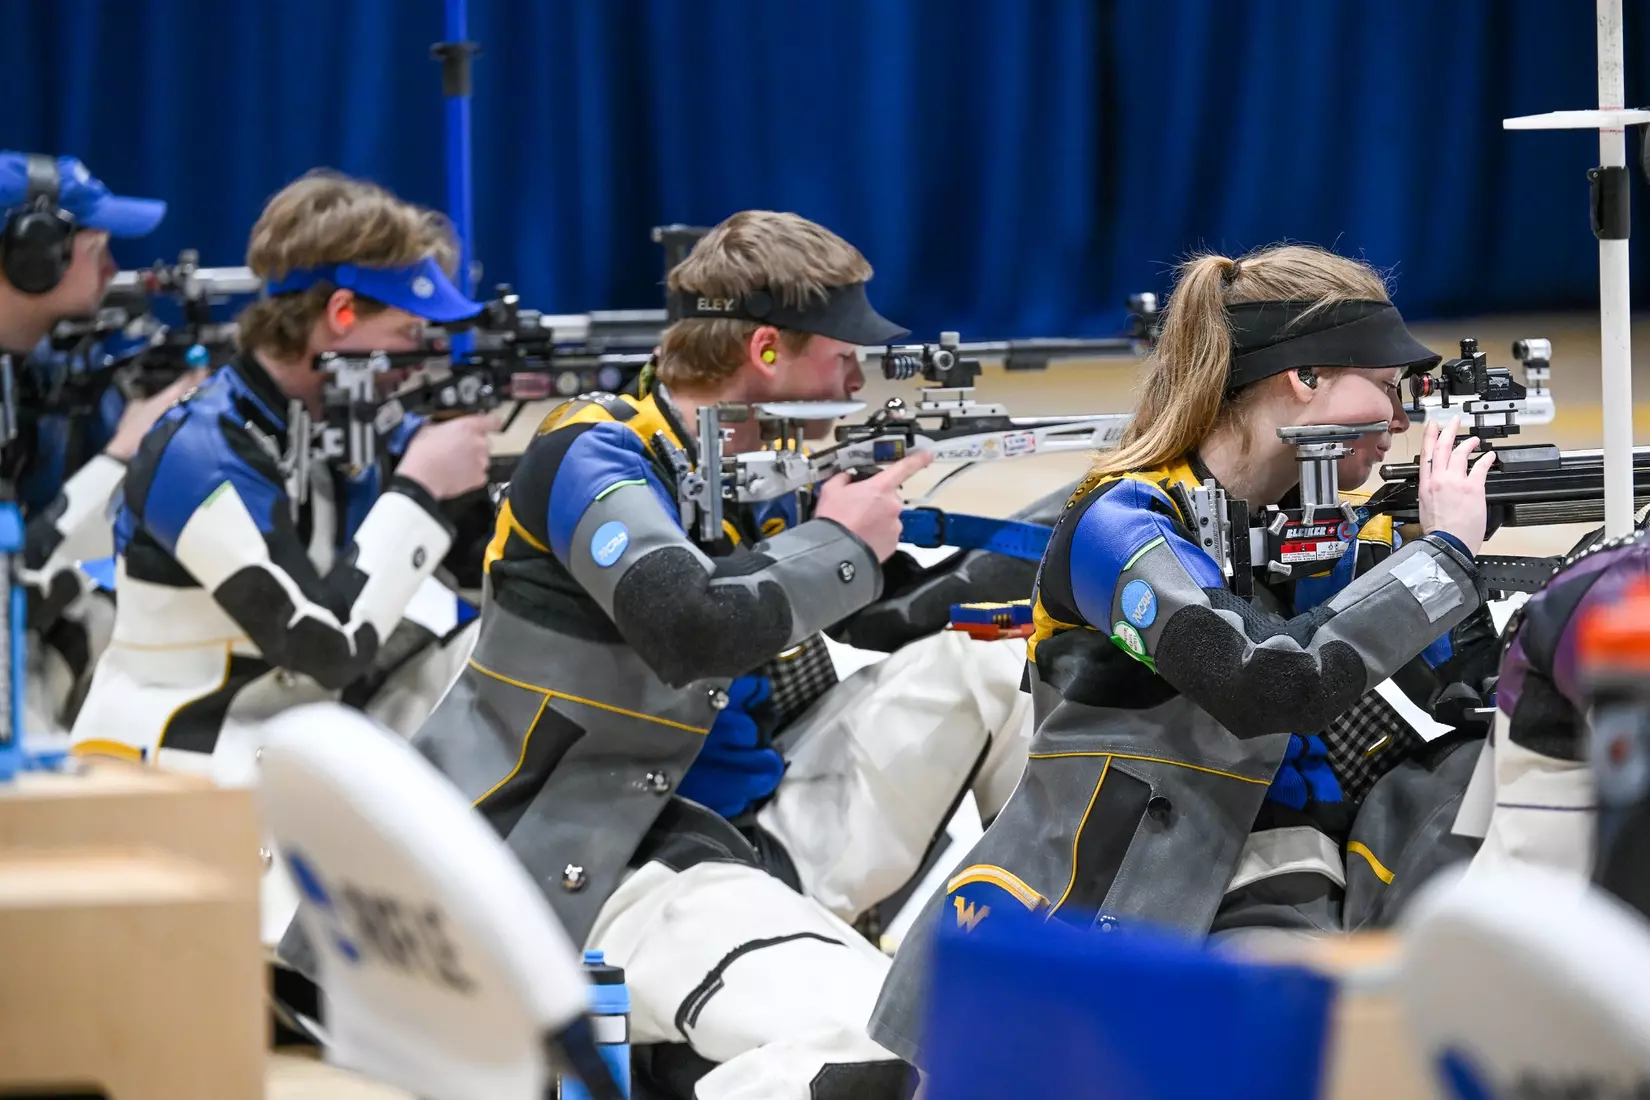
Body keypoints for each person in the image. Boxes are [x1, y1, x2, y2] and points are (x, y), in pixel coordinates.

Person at [409, 210, 1033, 1099]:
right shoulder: (591, 450)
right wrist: (837, 542)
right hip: (607, 848)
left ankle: (1077, 963)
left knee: (997, 663)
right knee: (894, 1051)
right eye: (843, 352)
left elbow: (884, 616)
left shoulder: (759, 454)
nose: (857, 379)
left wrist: (1080, 534)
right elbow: (687, 625)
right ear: (768, 352)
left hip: (747, 817)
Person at [869, 243, 1501, 1069]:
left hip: (1301, 893)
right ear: (1303, 378)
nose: (1403, 421)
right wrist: (1443, 555)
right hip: (1119, 911)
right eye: (1386, 389)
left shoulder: (1340, 531)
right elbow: (1265, 683)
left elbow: (1480, 697)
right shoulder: (1120, 520)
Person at [67, 170, 495, 937]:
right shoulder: (201, 447)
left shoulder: (322, 418)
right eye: (408, 336)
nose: (420, 362)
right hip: (181, 767)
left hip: (279, 742)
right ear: (340, 315)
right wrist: (420, 492)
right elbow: (321, 644)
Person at [0, 150, 203, 734]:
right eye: (97, 250)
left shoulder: (32, 366)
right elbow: (17, 571)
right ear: (33, 257)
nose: (115, 269)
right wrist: (124, 452)